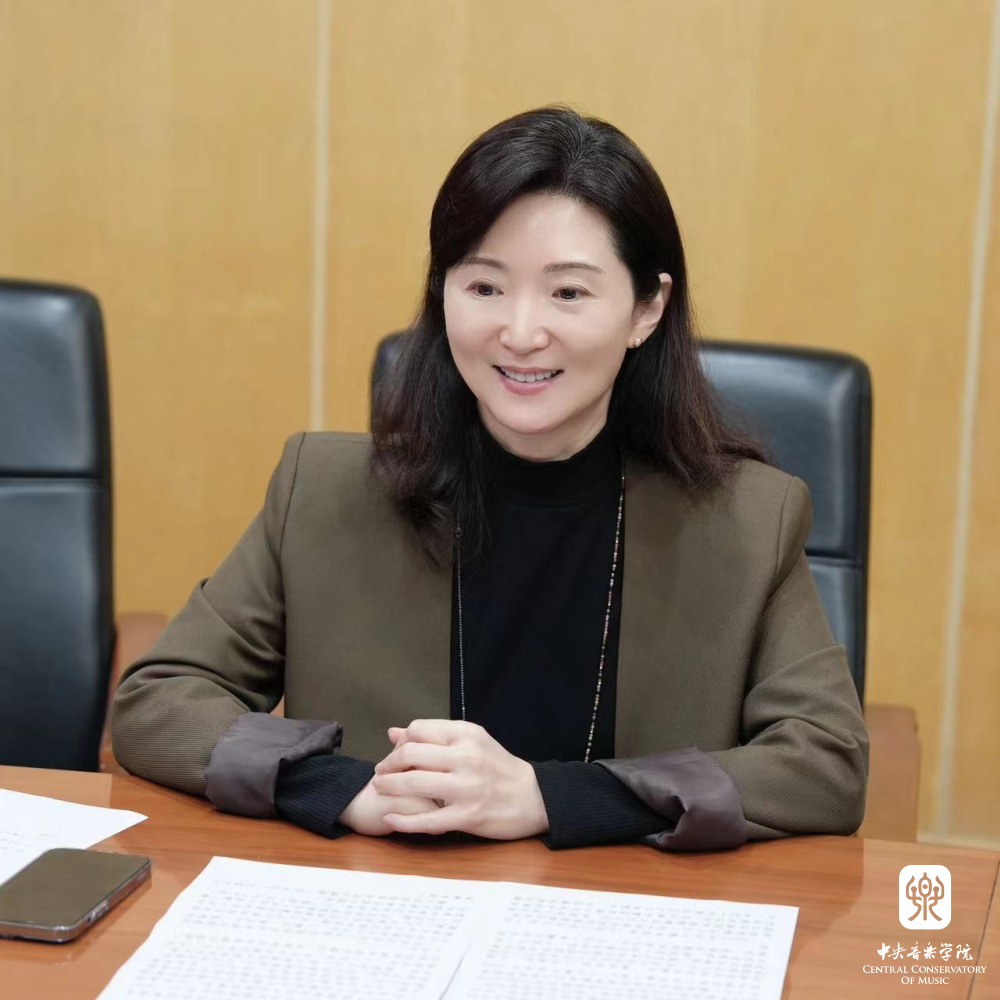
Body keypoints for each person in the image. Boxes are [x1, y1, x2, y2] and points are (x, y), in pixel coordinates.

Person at [111, 105, 869, 852]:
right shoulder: (324, 491)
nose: (520, 332)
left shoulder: (749, 520)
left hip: (623, 911)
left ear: (648, 308)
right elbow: (159, 700)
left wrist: (551, 798)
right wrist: (340, 787)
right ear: (442, 293)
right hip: (383, 907)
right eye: (484, 288)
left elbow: (824, 765)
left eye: (568, 292)